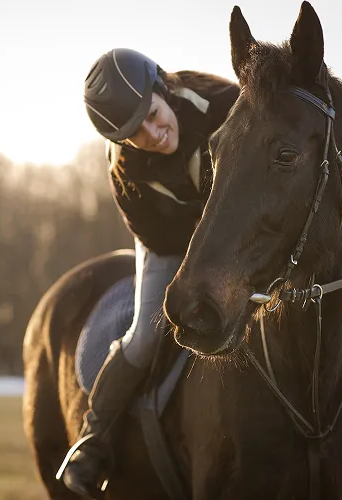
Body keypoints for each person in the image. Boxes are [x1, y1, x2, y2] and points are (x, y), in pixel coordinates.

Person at [56, 48, 240, 498]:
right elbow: (159, 236)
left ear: (165, 88)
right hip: (170, 243)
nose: (154, 134)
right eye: (136, 134)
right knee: (144, 336)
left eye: (153, 115)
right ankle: (92, 443)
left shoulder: (222, 100)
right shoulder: (126, 171)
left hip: (237, 233)